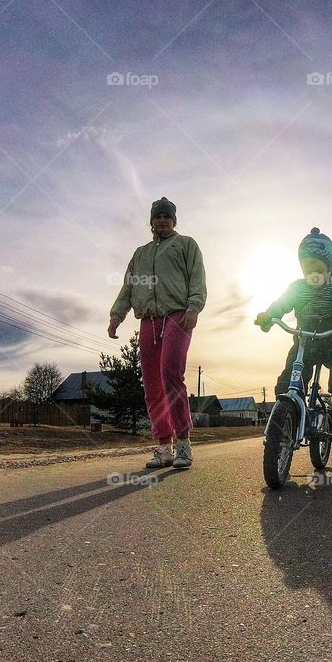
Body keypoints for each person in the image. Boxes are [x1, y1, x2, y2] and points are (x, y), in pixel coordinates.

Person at [108, 197, 207, 469]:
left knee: (170, 374)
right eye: (157, 216)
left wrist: (194, 307)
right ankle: (164, 447)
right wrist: (117, 315)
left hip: (177, 316)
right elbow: (128, 288)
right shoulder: (140, 253)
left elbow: (197, 278)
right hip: (148, 321)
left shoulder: (186, 245)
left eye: (167, 216)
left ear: (174, 220)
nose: (162, 220)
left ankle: (184, 444)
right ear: (151, 221)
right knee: (152, 384)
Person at [254, 228, 332, 415]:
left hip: (331, 338)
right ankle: (290, 400)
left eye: (319, 270)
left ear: (329, 268)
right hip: (303, 341)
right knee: (293, 367)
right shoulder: (296, 288)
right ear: (302, 268)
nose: (314, 274)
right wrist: (269, 316)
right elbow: (281, 304)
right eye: (308, 270)